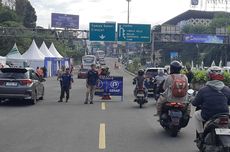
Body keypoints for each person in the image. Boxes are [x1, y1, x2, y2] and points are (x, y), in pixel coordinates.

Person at [192, 66, 230, 139]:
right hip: (225, 115)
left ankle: (201, 134)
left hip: (208, 115)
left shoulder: (203, 90)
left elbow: (194, 103)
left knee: (196, 115)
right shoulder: (227, 89)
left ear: (209, 77)